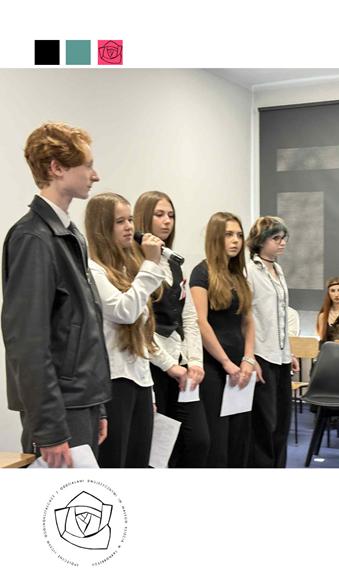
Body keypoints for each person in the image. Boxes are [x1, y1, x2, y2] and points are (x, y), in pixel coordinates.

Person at [1, 122, 110, 467]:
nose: (95, 175)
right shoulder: (33, 238)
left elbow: (84, 329)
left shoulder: (68, 234)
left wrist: (97, 404)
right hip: (59, 409)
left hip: (80, 402)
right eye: (88, 165)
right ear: (57, 168)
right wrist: (49, 428)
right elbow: (27, 341)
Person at [85, 192, 177, 468]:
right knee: (115, 462)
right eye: (119, 221)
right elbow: (124, 312)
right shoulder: (93, 270)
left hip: (140, 381)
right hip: (114, 381)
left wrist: (149, 391)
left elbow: (141, 334)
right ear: (101, 227)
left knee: (139, 462)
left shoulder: (127, 268)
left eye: (130, 220)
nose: (129, 227)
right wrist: (150, 264)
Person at [134, 190, 209, 467]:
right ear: (144, 218)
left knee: (198, 441)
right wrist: (169, 365)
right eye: (159, 215)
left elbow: (189, 317)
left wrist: (195, 361)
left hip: (181, 363)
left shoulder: (175, 263)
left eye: (171, 215)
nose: (167, 221)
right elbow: (138, 328)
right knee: (159, 452)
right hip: (152, 366)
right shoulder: (135, 264)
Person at [190, 211, 258, 468]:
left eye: (239, 235)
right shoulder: (201, 273)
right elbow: (201, 322)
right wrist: (226, 363)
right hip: (214, 367)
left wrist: (248, 359)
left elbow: (248, 321)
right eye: (229, 234)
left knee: (239, 440)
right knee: (217, 442)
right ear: (216, 237)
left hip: (240, 367)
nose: (236, 240)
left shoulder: (239, 275)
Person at [246, 216, 299, 468]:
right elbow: (247, 316)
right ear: (260, 240)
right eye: (276, 238)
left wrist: (290, 351)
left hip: (281, 356)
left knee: (282, 423)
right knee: (264, 424)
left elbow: (280, 316)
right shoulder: (249, 270)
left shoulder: (278, 270)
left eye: (283, 238)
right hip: (261, 355)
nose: (282, 243)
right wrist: (250, 356)